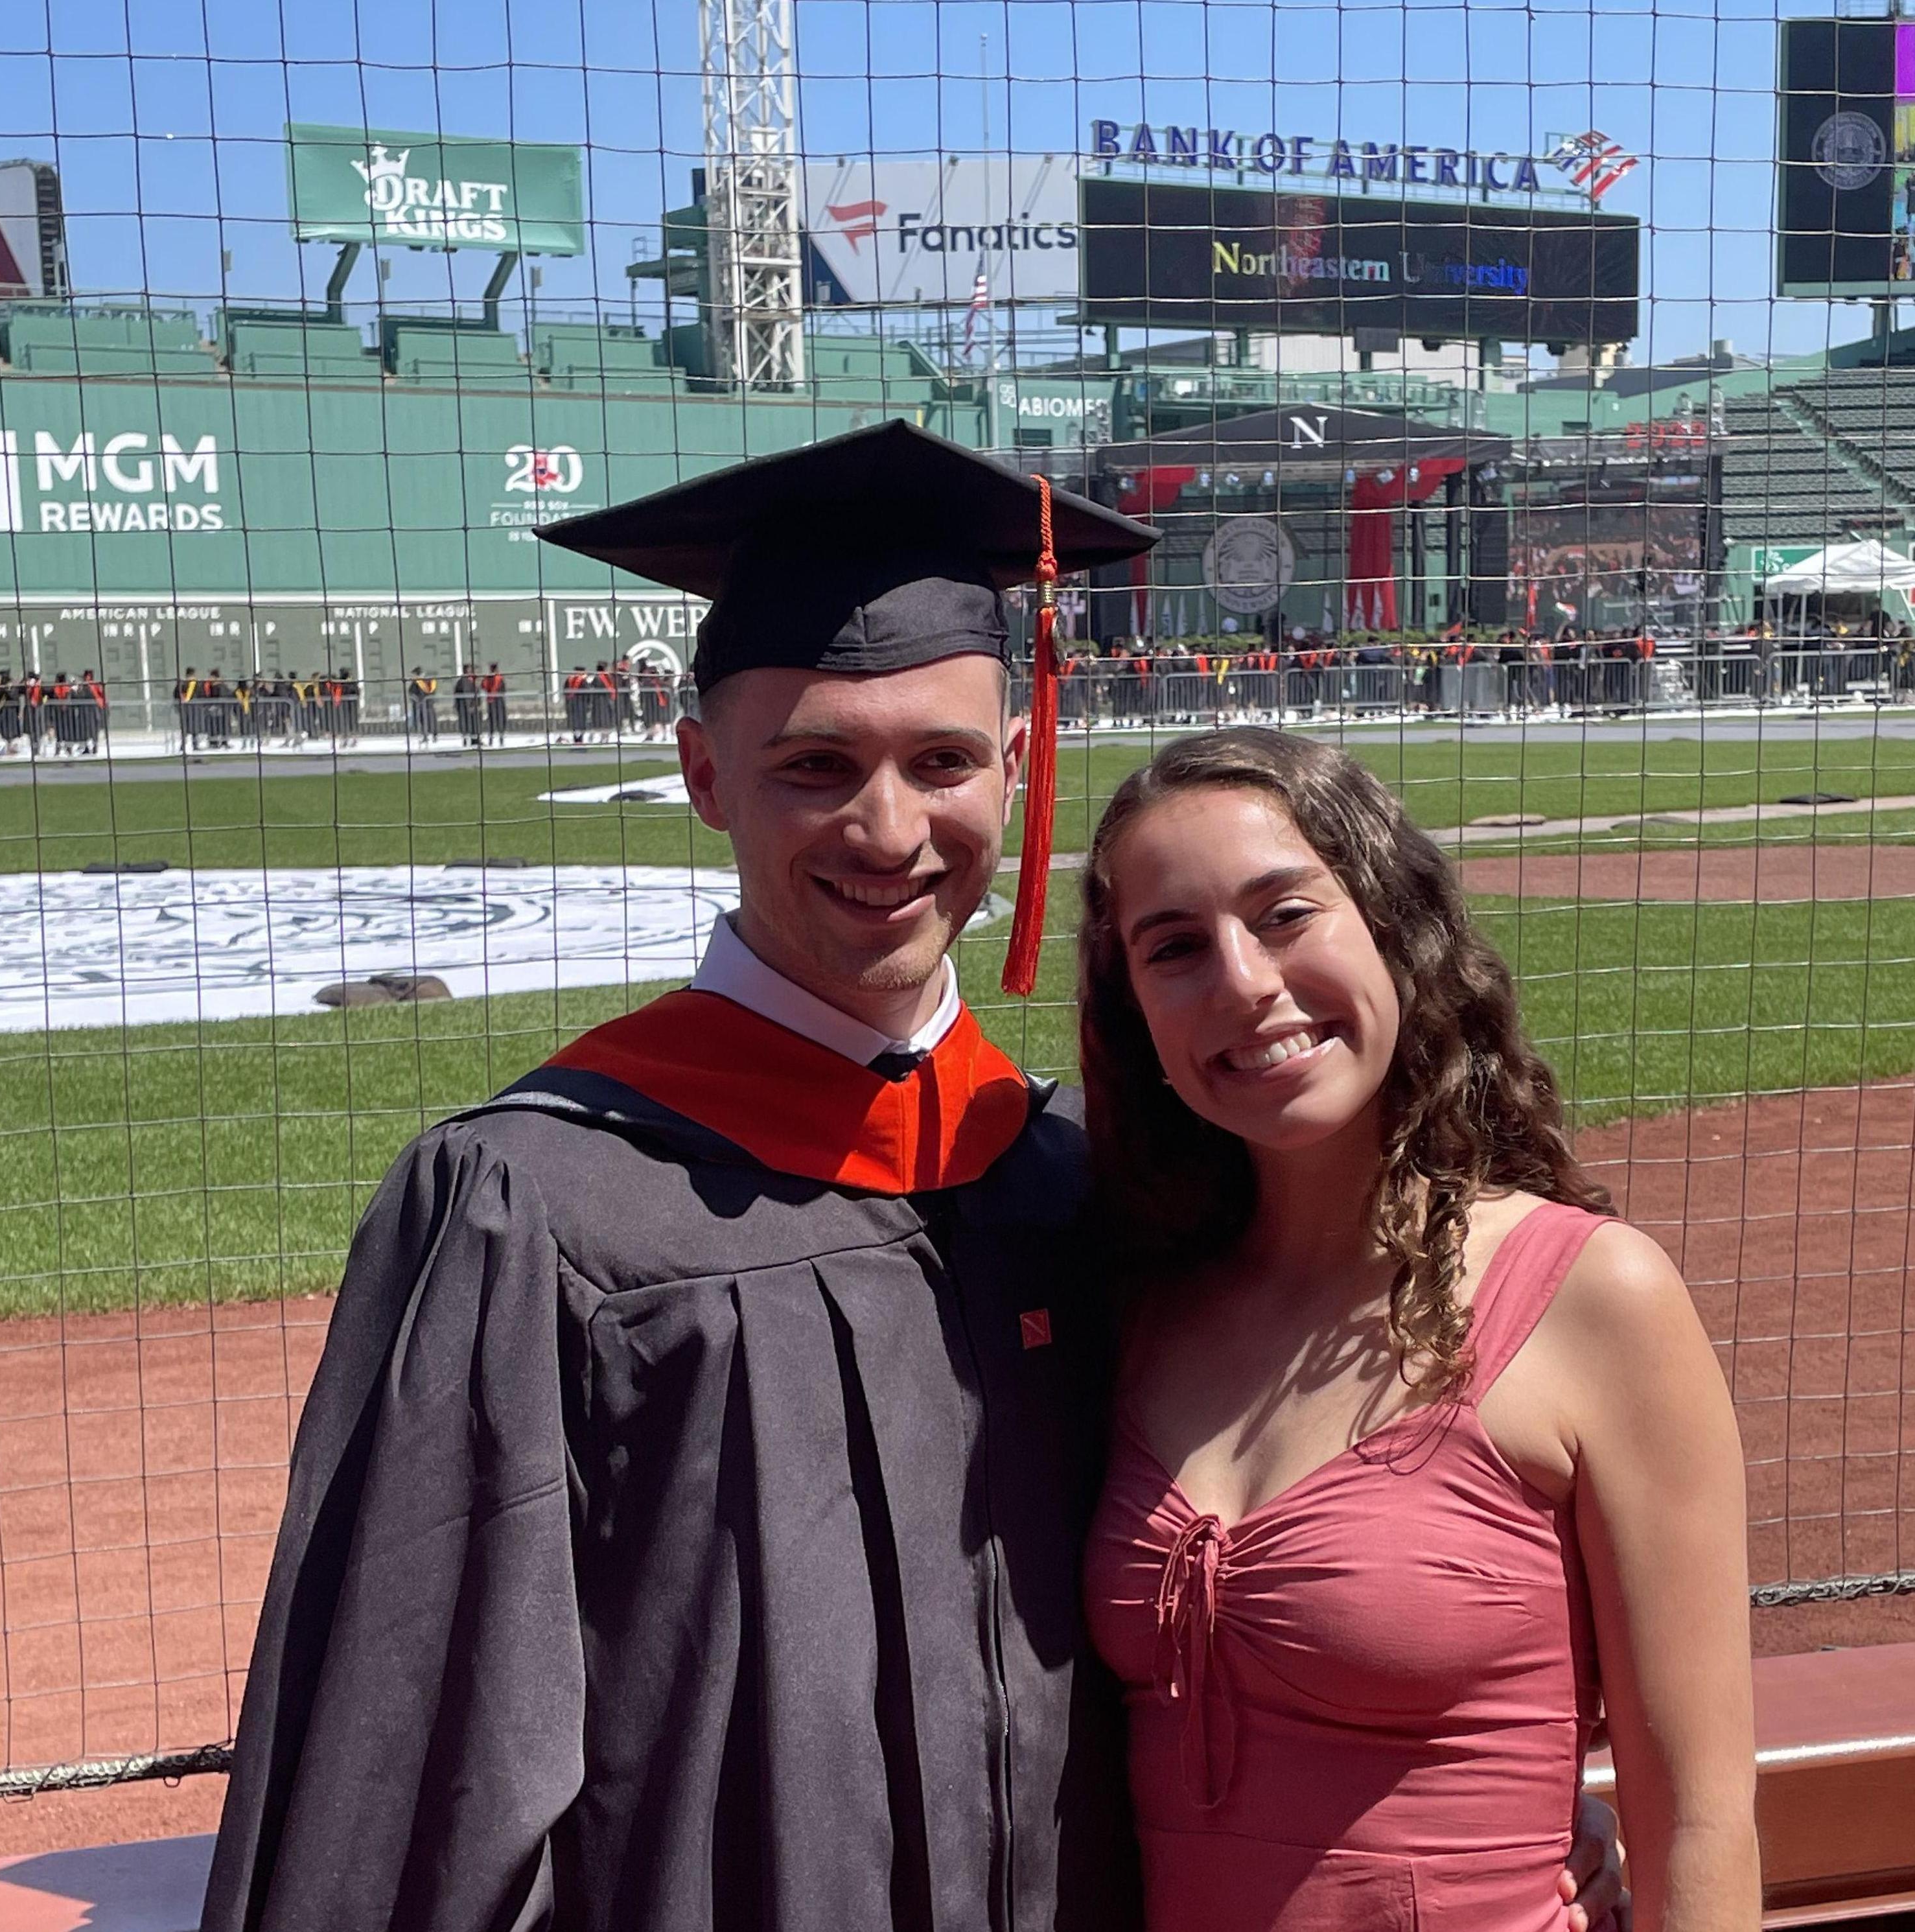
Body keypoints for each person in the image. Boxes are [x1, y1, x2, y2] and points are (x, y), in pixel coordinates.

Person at [202, 423, 1624, 1932]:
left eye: (942, 761)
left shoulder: (1088, 1179)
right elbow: (405, 1779)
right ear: (700, 771)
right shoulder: (534, 1206)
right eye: (813, 764)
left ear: (1017, 769)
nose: (887, 828)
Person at [1077, 728, 1758, 1932]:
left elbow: (1698, 1815)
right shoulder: (1134, 1306)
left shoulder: (1595, 1300)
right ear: (1134, 1012)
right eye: (1173, 947)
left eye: (1283, 913)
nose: (1240, 980)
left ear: (1391, 924)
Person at [479, 660, 508, 743]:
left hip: (493, 700)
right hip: (496, 701)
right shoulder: (497, 678)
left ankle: (495, 738)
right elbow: (503, 690)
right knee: (497, 719)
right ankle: (497, 737)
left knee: (494, 719)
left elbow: (483, 686)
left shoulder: (490, 678)